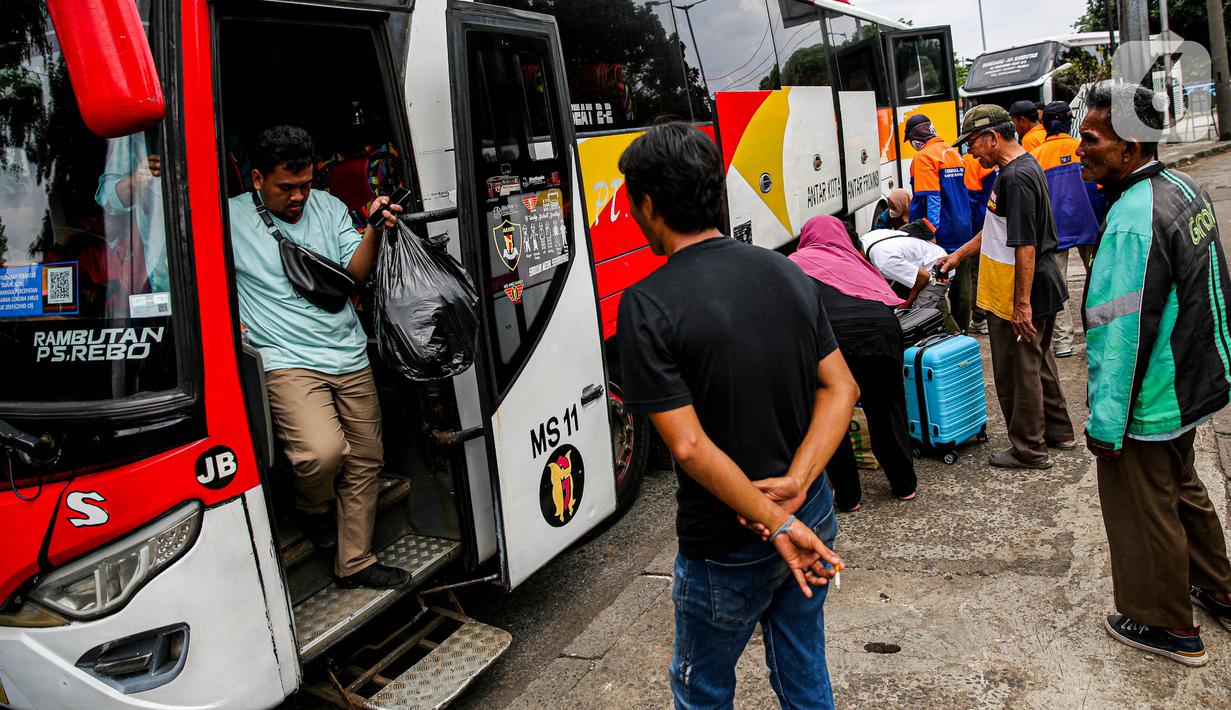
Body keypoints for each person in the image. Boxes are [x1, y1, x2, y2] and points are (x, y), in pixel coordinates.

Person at [616, 122, 856, 709]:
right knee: (803, 673)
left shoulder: (647, 303)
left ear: (648, 205)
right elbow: (841, 388)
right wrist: (798, 486)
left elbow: (690, 447)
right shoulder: (787, 270)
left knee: (702, 691)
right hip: (811, 513)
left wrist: (774, 521)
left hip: (729, 540)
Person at [1076, 83, 1231, 666]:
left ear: (1130, 145)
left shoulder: (1131, 219)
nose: (1079, 148)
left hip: (1151, 397)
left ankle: (1168, 625)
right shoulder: (1184, 188)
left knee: (1146, 507)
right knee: (1184, 488)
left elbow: (1120, 336)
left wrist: (1106, 424)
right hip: (1193, 384)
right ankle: (1219, 586)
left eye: (1090, 139)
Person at [230, 125, 408, 589]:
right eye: (286, 187)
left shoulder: (327, 208)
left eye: (305, 185)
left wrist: (372, 229)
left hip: (347, 351)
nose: (298, 197)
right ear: (256, 179)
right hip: (285, 358)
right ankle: (313, 508)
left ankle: (355, 561)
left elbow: (356, 270)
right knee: (320, 455)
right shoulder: (227, 220)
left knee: (367, 458)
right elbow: (175, 271)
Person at [940, 104, 1075, 469]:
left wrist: (1021, 304)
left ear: (992, 137)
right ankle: (1059, 432)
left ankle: (1029, 449)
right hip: (1036, 282)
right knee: (1039, 361)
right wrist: (958, 256)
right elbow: (997, 229)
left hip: (1024, 286)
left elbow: (1025, 243)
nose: (970, 152)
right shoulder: (1018, 168)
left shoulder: (1016, 177)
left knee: (1019, 371)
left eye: (972, 144)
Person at [791, 215, 917, 512]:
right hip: (882, 335)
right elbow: (883, 298)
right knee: (886, 408)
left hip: (833, 342)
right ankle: (904, 485)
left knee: (831, 414)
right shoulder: (856, 260)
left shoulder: (794, 263)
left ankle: (849, 496)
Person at [1030, 101, 1101, 359]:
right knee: (1097, 280)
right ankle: (1098, 333)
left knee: (1056, 287)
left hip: (1054, 231)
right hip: (1089, 225)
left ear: (1045, 124)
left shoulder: (1037, 156)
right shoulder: (1082, 149)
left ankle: (1062, 342)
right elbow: (1100, 189)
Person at [905, 114, 973, 331]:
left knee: (936, 288)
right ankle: (963, 330)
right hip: (963, 229)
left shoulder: (924, 157)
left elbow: (932, 198)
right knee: (962, 289)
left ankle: (952, 336)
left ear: (916, 136)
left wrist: (930, 233)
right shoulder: (952, 152)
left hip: (941, 233)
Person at [860, 220, 960, 333]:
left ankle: (955, 340)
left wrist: (908, 303)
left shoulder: (884, 260)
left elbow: (923, 277)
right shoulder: (867, 238)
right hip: (926, 257)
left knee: (922, 315)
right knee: (934, 307)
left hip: (940, 269)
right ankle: (953, 335)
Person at [963, 149, 998, 335]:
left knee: (977, 271)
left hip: (981, 225)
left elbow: (971, 199)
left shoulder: (971, 161)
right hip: (999, 222)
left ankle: (979, 318)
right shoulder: (1003, 157)